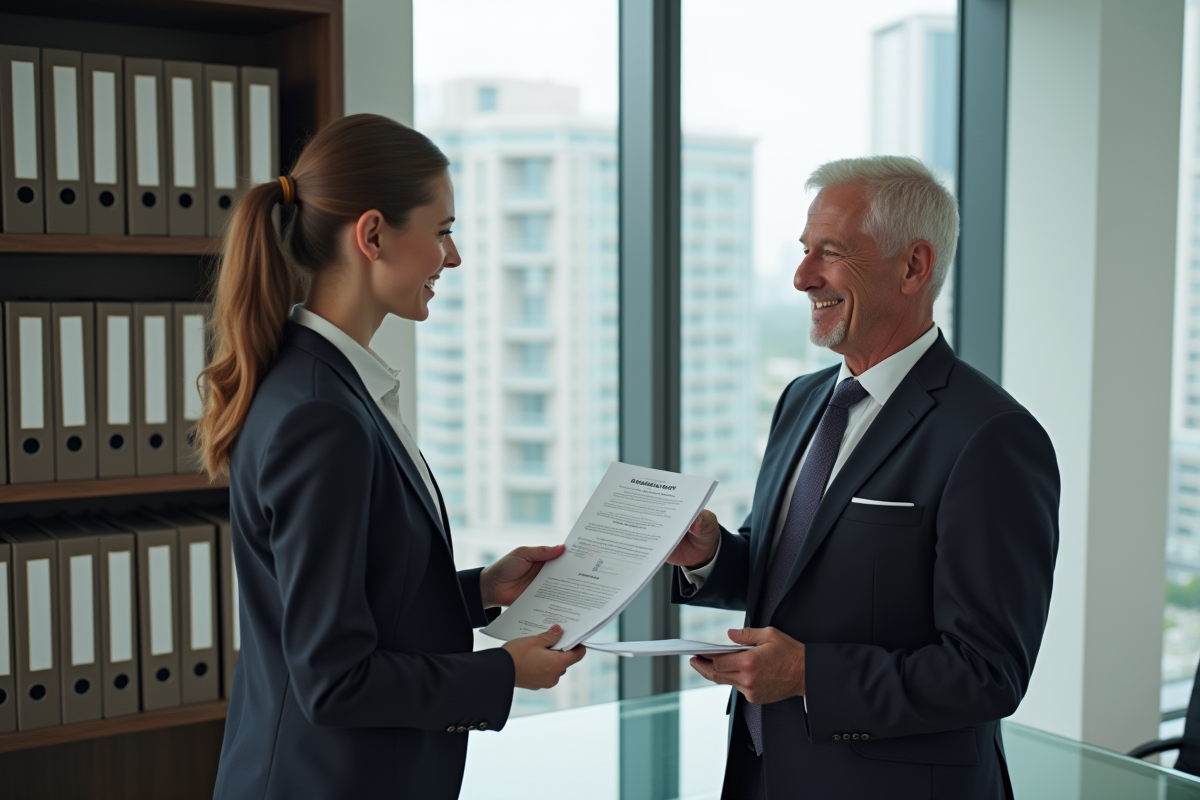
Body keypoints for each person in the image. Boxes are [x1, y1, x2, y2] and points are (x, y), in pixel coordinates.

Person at [198, 114, 586, 800]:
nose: (454, 257)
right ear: (372, 234)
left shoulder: (319, 383)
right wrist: (505, 674)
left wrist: (477, 592)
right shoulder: (322, 416)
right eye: (441, 232)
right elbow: (333, 679)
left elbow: (348, 601)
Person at [668, 155, 1059, 799]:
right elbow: (796, 575)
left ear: (914, 267)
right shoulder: (802, 399)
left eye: (831, 252)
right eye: (802, 250)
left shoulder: (991, 437)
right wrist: (713, 556)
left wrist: (806, 676)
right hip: (764, 774)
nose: (801, 277)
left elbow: (989, 673)